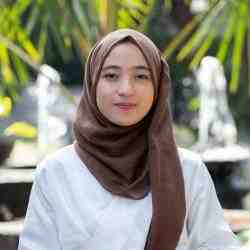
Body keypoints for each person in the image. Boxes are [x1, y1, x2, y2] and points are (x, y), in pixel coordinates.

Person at [18, 29, 240, 250]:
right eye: (111, 75)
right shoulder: (55, 172)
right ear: (93, 82)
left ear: (158, 86)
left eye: (141, 76)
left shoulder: (187, 170)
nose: (126, 89)